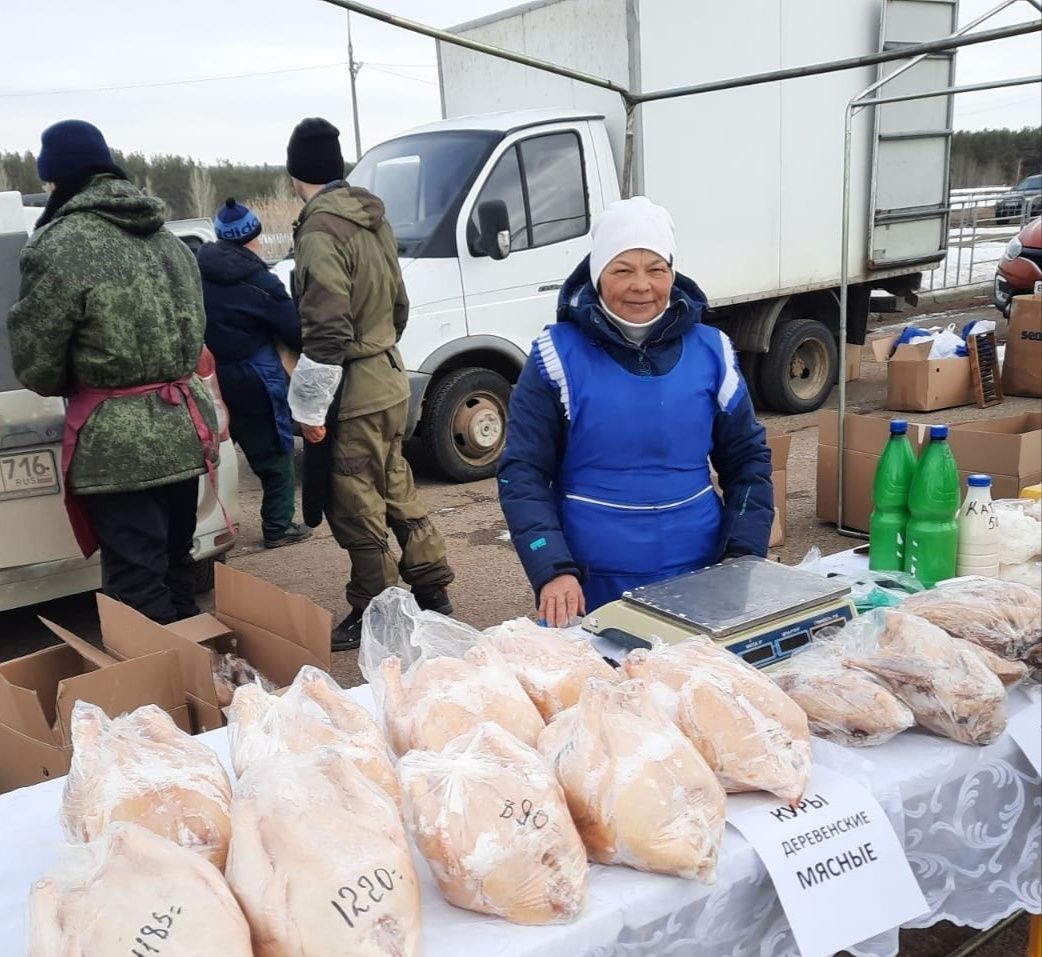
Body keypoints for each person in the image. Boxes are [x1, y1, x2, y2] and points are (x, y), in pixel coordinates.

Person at [498, 196, 774, 627]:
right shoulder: (556, 356)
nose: (641, 285)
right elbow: (523, 474)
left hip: (703, 575)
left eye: (656, 270)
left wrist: (743, 554)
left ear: (672, 272)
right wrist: (552, 569)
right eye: (622, 269)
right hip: (591, 583)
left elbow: (748, 461)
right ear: (597, 274)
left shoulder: (712, 351)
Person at [8, 119, 219, 623]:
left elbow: (37, 363)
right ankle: (203, 684)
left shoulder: (59, 246)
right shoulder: (169, 241)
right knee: (175, 566)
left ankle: (161, 696)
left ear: (56, 181)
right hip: (183, 431)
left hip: (116, 447)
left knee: (136, 584)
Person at [284, 117, 455, 651]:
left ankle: (378, 610)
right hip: (389, 376)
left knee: (356, 501)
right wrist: (379, 350)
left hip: (352, 393)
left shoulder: (319, 232)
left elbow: (327, 330)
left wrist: (311, 409)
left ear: (295, 174)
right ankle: (432, 591)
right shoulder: (372, 219)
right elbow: (399, 304)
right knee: (396, 485)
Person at [197, 198, 311, 549]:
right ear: (254, 237)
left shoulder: (198, 273)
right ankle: (278, 525)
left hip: (212, 379)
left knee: (231, 447)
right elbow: (295, 331)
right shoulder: (261, 283)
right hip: (255, 377)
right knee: (277, 453)